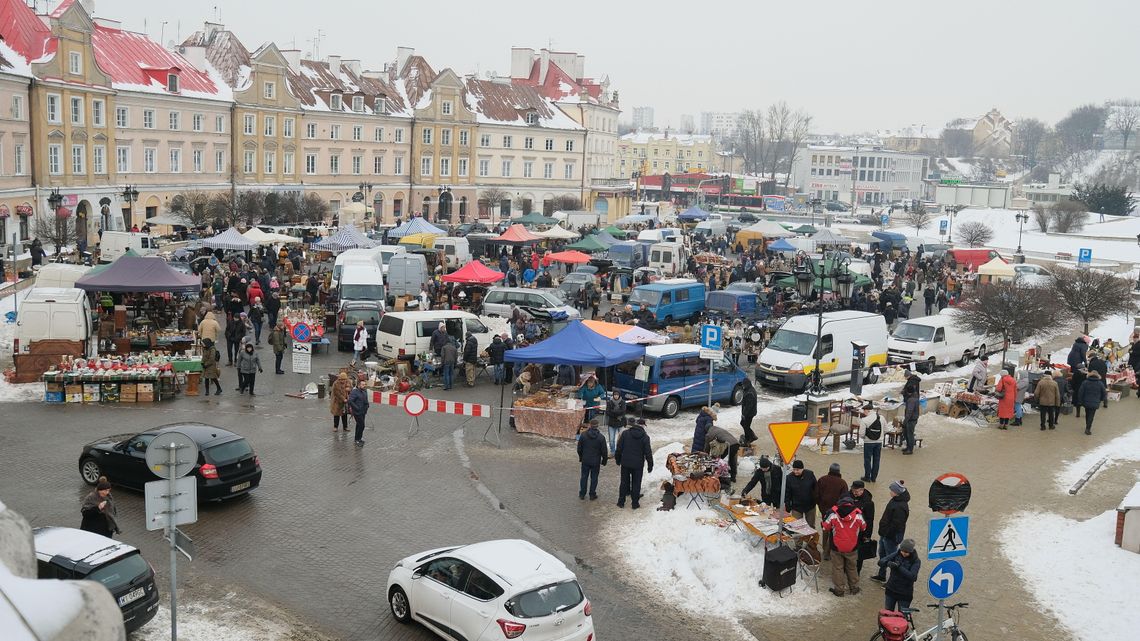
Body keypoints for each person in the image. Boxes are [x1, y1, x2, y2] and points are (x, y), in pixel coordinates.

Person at [822, 496, 867, 597]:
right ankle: (854, 588)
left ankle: (839, 590)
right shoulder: (858, 514)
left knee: (838, 568)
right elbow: (864, 527)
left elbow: (825, 526)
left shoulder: (832, 513)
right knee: (852, 568)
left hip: (836, 546)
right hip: (852, 546)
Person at [871, 481, 911, 583]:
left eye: (892, 490)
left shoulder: (900, 506)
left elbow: (897, 525)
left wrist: (887, 534)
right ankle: (882, 575)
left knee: (893, 560)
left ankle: (893, 581)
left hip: (891, 537)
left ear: (896, 492)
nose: (890, 492)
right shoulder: (895, 500)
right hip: (885, 534)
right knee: (883, 555)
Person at [615, 418, 653, 509]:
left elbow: (619, 448)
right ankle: (635, 504)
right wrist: (650, 465)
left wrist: (618, 459)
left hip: (625, 463)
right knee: (636, 484)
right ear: (643, 426)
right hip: (638, 465)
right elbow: (648, 452)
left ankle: (621, 502)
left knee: (624, 483)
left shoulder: (625, 434)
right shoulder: (645, 437)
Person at [815, 462, 849, 561]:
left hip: (824, 511)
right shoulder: (842, 483)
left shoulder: (822, 479)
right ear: (839, 471)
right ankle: (828, 552)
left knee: (825, 529)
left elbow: (816, 495)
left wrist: (821, 506)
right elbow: (845, 498)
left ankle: (824, 549)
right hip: (837, 512)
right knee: (834, 532)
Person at [878, 539, 921, 611]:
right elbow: (880, 562)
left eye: (906, 552)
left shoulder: (916, 561)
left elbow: (913, 577)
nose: (903, 553)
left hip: (904, 593)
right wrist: (888, 563)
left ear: (911, 551)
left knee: (902, 616)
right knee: (887, 614)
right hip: (891, 590)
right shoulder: (897, 553)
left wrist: (899, 567)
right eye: (902, 551)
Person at [576, 418, 608, 500]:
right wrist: (604, 461)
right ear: (597, 426)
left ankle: (582, 494)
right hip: (596, 461)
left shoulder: (583, 435)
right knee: (594, 478)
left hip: (585, 460)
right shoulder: (601, 438)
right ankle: (592, 494)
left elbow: (579, 448)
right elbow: (604, 451)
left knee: (584, 477)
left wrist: (581, 457)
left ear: (590, 425)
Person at [849, 480, 876, 573]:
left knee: (859, 553)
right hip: (848, 530)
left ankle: (857, 571)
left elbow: (870, 520)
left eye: (856, 491)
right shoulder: (848, 496)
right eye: (853, 490)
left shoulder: (868, 503)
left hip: (860, 532)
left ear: (862, 490)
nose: (854, 493)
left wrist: (867, 535)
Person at [784, 460, 818, 527]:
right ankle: (798, 537)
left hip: (810, 506)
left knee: (811, 525)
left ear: (802, 469)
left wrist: (816, 500)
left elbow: (816, 488)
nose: (795, 471)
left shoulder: (810, 474)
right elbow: (787, 493)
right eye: (794, 469)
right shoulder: (789, 478)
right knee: (797, 526)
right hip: (796, 507)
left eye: (798, 470)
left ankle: (810, 537)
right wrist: (788, 507)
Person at [1076, 369, 1107, 435]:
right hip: (1095, 402)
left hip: (1086, 402)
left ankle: (1087, 426)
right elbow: (1104, 393)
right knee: (1091, 415)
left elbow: (1080, 392)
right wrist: (1100, 399)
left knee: (1087, 414)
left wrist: (1080, 401)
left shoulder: (1085, 382)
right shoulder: (1100, 383)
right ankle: (1088, 428)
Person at [860, 401, 883, 481]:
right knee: (876, 460)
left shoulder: (864, 420)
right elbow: (886, 429)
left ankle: (867, 477)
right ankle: (874, 478)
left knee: (867, 460)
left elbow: (861, 434)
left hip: (868, 443)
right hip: (879, 443)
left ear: (867, 410)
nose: (864, 413)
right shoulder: (882, 418)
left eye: (864, 411)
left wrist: (865, 438)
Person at [347, 379, 370, 446]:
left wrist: (367, 405)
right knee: (362, 425)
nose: (364, 386)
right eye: (362, 384)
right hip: (357, 412)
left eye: (365, 384)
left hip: (363, 411)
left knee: (359, 425)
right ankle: (357, 439)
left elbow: (366, 400)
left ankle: (358, 438)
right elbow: (350, 401)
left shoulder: (364, 391)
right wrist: (357, 408)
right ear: (358, 385)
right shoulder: (355, 392)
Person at [604, 390, 626, 457]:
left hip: (620, 423)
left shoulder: (623, 402)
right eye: (615, 395)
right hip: (612, 423)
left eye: (617, 395)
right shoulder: (610, 402)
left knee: (621, 439)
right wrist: (616, 413)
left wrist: (613, 412)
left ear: (619, 395)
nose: (616, 396)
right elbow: (608, 412)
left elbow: (623, 411)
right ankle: (613, 452)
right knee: (611, 439)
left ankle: (620, 452)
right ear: (613, 395)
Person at [995, 365, 1017, 429]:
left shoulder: (1002, 379)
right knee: (1008, 411)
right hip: (1011, 397)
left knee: (1002, 411)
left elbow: (998, 388)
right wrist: (1014, 398)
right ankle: (1006, 425)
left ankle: (1001, 425)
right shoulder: (1013, 380)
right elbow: (1015, 390)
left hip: (1004, 397)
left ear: (1002, 375)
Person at [739, 379, 758, 444]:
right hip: (749, 412)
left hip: (749, 413)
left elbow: (748, 406)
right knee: (745, 424)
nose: (743, 386)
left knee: (745, 425)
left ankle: (751, 437)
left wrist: (744, 414)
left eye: (744, 385)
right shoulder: (749, 389)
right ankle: (749, 437)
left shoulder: (750, 393)